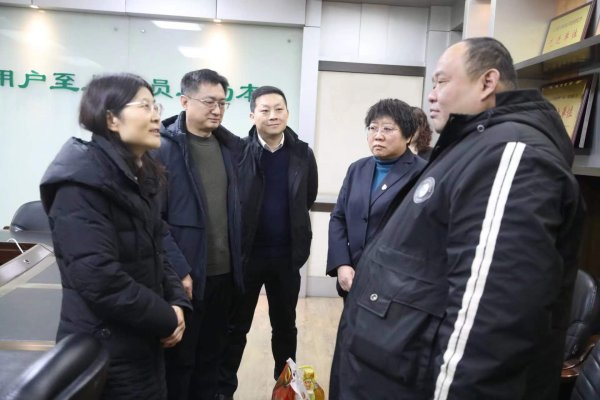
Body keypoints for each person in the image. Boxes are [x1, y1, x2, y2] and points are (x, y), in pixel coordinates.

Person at [330, 37, 584, 400]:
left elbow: (487, 322)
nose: (432, 95)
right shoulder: (472, 148)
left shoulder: (511, 155)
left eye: (442, 81)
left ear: (487, 82)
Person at [39, 73, 190, 400]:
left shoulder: (140, 175)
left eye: (156, 106)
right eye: (145, 106)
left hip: (142, 339)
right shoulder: (80, 184)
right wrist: (166, 316)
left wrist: (177, 302)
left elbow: (158, 250)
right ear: (111, 118)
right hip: (105, 348)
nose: (156, 116)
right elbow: (100, 279)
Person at [218, 86, 318, 399]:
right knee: (235, 327)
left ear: (287, 112)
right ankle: (222, 390)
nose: (273, 115)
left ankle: (285, 389)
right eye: (265, 110)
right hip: (246, 257)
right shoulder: (239, 152)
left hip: (286, 258)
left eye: (279, 109)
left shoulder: (302, 153)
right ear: (252, 115)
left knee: (285, 327)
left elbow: (308, 196)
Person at [155, 69, 244, 400]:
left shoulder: (230, 148)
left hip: (224, 276)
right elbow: (154, 221)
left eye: (222, 103)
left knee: (212, 360)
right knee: (180, 364)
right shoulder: (162, 149)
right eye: (209, 102)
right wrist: (179, 271)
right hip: (186, 279)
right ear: (184, 101)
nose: (217, 110)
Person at [326, 98, 426, 298]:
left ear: (408, 136)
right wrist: (342, 264)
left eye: (387, 129)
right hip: (353, 275)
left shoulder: (422, 173)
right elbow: (338, 218)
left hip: (396, 282)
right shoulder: (357, 169)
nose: (378, 135)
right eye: (373, 128)